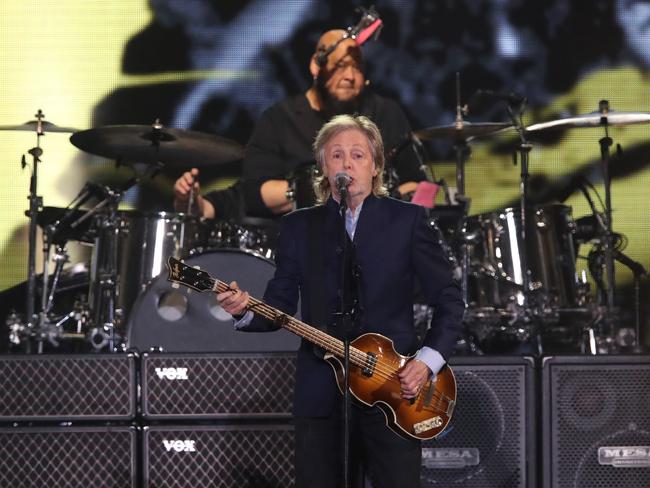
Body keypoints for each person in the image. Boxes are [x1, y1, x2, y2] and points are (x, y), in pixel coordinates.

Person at [217, 114, 464, 488]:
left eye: (358, 155)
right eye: (336, 155)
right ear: (322, 167)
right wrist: (244, 310)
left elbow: (449, 298)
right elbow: (278, 306)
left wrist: (426, 363)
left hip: (395, 390)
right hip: (322, 393)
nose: (347, 163)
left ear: (376, 166)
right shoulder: (300, 227)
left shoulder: (408, 221)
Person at [173, 28, 428, 220]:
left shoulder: (385, 113)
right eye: (340, 66)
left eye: (358, 68)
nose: (350, 76)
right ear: (316, 67)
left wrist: (394, 204)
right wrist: (315, 190)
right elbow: (252, 192)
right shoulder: (279, 119)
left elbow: (419, 184)